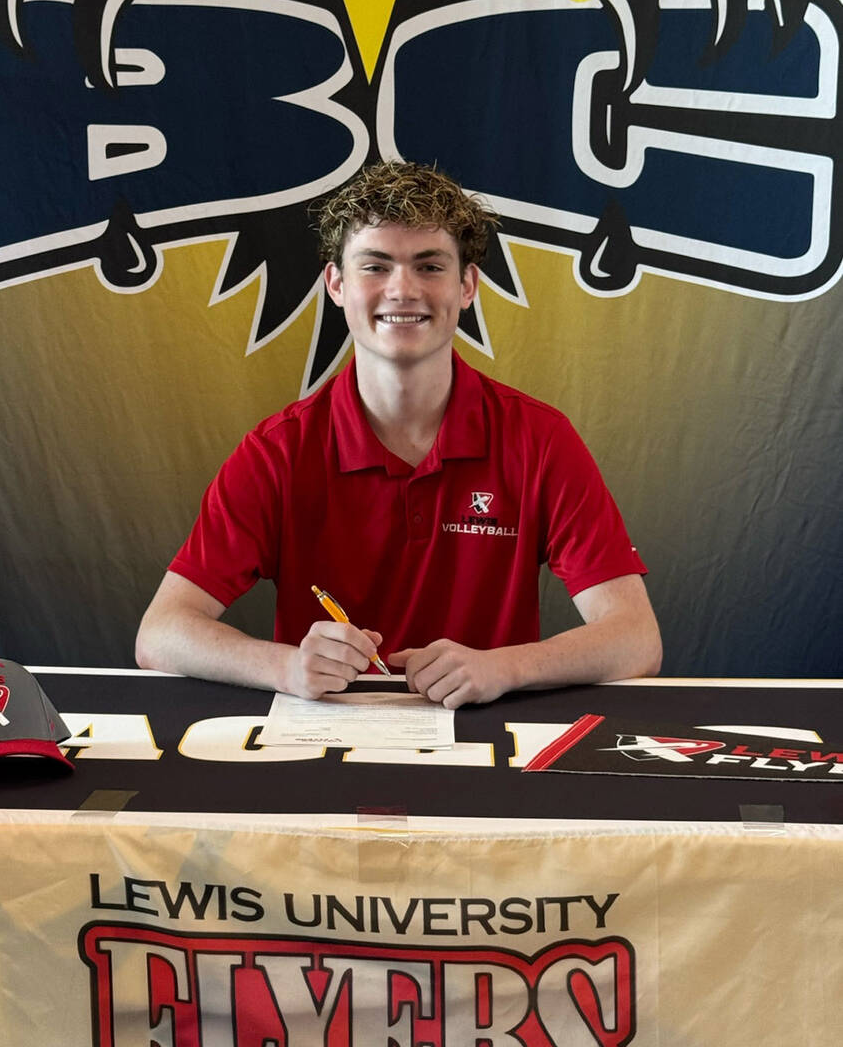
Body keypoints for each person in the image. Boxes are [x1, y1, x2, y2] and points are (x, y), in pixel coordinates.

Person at [136, 161, 661, 708]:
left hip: (486, 734)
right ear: (336, 284)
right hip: (322, 736)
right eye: (375, 266)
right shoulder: (278, 451)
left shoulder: (539, 439)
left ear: (466, 286)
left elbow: (635, 637)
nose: (402, 289)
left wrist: (505, 666)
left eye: (429, 266)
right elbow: (161, 632)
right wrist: (285, 666)